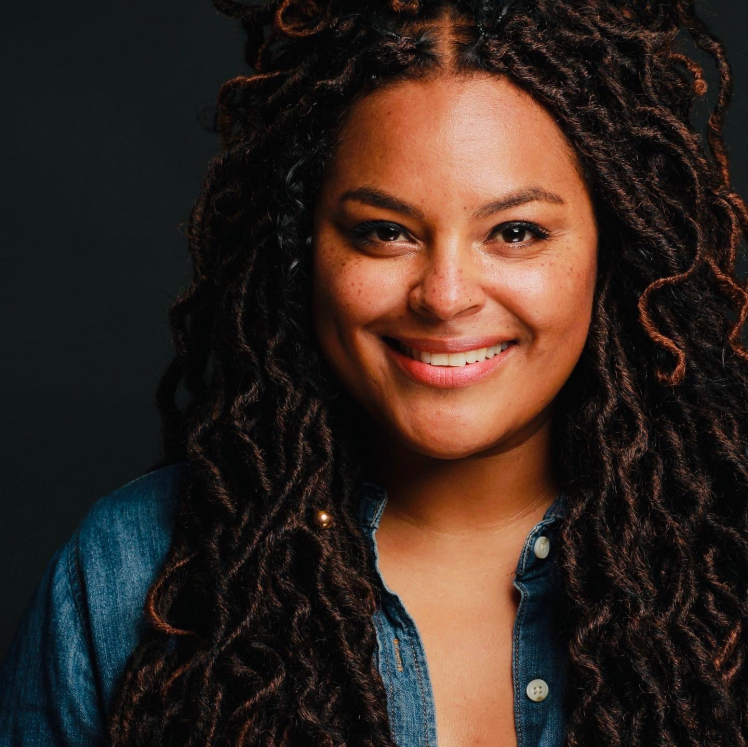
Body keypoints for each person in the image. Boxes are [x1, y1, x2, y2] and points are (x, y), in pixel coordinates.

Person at [2, 0, 748, 745]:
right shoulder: (128, 576)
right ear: (304, 251)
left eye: (515, 232)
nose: (446, 295)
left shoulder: (727, 567)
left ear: (614, 249)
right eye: (384, 232)